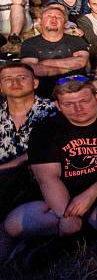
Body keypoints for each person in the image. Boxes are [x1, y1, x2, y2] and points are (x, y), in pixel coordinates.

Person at [4, 78, 97, 251]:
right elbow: (48, 178)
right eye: (69, 104)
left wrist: (91, 194)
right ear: (58, 105)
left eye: (84, 101)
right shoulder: (46, 130)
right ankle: (83, 230)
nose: (78, 109)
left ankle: (77, 235)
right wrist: (66, 215)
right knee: (14, 224)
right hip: (62, 195)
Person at [0, 63, 57, 263]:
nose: (14, 82)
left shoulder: (52, 111)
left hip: (38, 181)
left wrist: (8, 167)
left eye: (21, 77)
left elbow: (45, 153)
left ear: (35, 83)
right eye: (8, 79)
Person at [20, 3, 90, 97]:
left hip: (75, 90)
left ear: (65, 23)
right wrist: (67, 68)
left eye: (58, 17)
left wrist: (44, 63)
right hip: (43, 91)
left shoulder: (76, 40)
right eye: (49, 16)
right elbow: (32, 70)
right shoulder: (29, 44)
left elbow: (80, 62)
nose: (54, 19)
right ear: (40, 21)